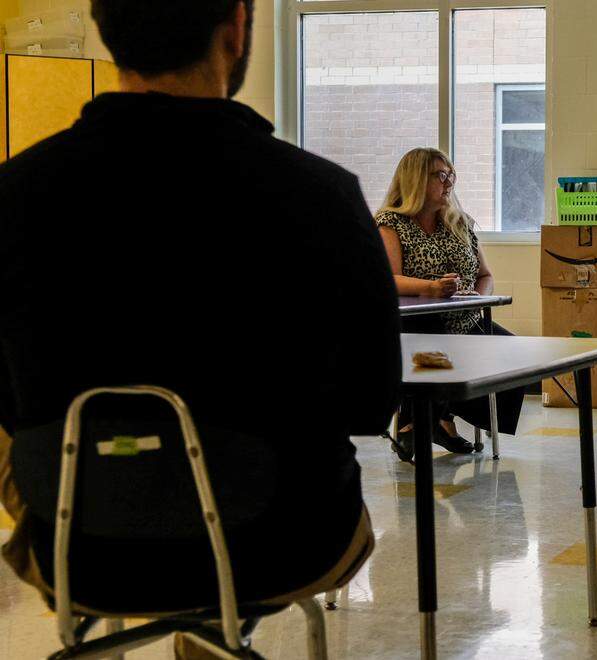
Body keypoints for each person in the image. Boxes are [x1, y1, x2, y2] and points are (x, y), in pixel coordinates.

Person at [0, 0, 401, 648]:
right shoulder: (322, 195)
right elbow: (370, 401)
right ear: (237, 27)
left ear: (105, 32)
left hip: (77, 543)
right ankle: (216, 628)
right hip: (280, 544)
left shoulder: (11, 194)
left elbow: (10, 405)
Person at [375, 147, 524, 461]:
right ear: (416, 180)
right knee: (439, 350)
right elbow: (389, 279)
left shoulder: (459, 222)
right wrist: (431, 288)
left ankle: (429, 418)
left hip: (465, 318)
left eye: (450, 175)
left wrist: (479, 297)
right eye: (440, 176)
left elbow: (485, 274)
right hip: (416, 320)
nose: (448, 183)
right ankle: (426, 420)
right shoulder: (391, 224)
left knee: (511, 354)